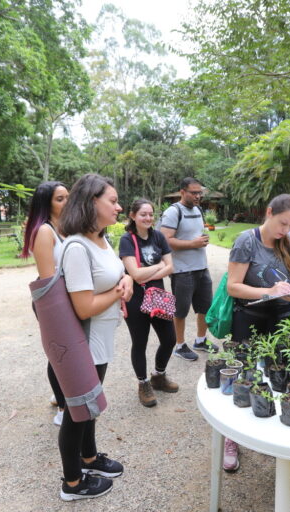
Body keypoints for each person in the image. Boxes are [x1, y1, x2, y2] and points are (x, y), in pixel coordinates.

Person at [56, 173, 131, 501]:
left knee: (91, 406)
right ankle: (72, 483)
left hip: (100, 339)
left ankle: (89, 458)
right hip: (83, 342)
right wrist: (118, 293)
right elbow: (84, 307)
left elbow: (114, 275)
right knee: (78, 412)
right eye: (112, 201)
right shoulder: (76, 246)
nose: (118, 206)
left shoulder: (101, 240)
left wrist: (126, 280)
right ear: (91, 203)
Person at [226, 194, 290, 471]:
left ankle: (273, 434)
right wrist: (269, 291)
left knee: (279, 376)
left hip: (282, 319)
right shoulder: (247, 241)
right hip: (249, 318)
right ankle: (231, 438)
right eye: (282, 223)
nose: (285, 230)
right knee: (244, 376)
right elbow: (233, 287)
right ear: (269, 212)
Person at [118, 199, 179, 407]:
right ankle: (143, 383)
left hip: (158, 296)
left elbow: (171, 267)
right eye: (143, 214)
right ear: (133, 216)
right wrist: (159, 265)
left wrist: (148, 271)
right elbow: (134, 274)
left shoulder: (158, 236)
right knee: (140, 342)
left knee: (170, 339)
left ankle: (158, 376)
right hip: (135, 299)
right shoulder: (127, 240)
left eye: (151, 214)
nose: (148, 218)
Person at [21, 181, 69, 426]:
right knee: (58, 355)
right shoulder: (45, 231)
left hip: (70, 299)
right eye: (60, 199)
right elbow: (48, 280)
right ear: (46, 204)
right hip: (54, 301)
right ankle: (62, 406)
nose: (67, 202)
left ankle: (61, 394)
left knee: (66, 353)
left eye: (67, 197)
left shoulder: (68, 228)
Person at [159, 177, 217, 361]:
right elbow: (165, 241)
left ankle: (200, 340)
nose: (198, 196)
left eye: (199, 192)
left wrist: (199, 240)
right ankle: (179, 345)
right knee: (181, 310)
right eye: (194, 192)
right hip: (182, 270)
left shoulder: (198, 210)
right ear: (182, 192)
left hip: (201, 267)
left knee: (205, 307)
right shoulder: (173, 212)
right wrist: (193, 243)